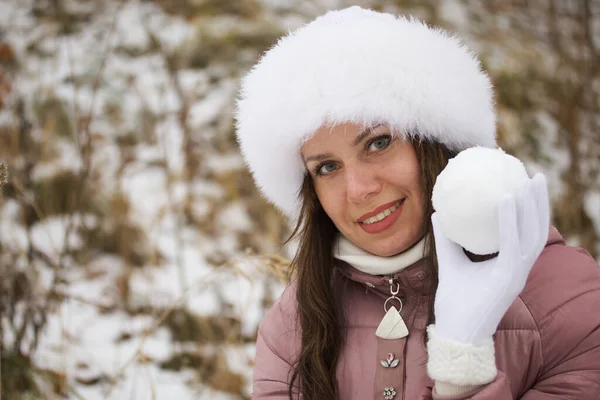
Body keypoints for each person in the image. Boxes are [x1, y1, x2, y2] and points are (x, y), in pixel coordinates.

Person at [235, 6, 600, 400]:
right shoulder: (293, 326)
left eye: (378, 142)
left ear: (433, 142)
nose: (358, 189)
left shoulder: (566, 300)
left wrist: (460, 373)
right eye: (326, 167)